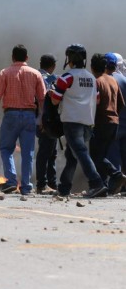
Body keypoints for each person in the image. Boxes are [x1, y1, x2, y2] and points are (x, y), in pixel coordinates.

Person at [50, 44, 106, 198]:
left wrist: (51, 93)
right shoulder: (92, 78)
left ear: (70, 59)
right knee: (71, 156)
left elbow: (55, 101)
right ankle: (64, 188)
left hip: (72, 122)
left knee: (80, 153)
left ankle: (97, 183)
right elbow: (98, 99)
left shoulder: (66, 77)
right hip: (88, 122)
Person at [0, 44, 46, 195]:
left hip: (11, 115)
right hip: (29, 116)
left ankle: (11, 181)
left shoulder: (4, 73)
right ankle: (26, 186)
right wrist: (41, 118)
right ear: (27, 58)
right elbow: (42, 99)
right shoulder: (36, 74)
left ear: (12, 57)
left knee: (6, 149)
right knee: (28, 152)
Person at [89, 53, 126, 194]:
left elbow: (94, 103)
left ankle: (113, 180)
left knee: (99, 155)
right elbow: (121, 104)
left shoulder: (98, 81)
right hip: (116, 122)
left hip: (103, 122)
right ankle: (106, 186)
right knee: (108, 155)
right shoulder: (116, 80)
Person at [35, 54, 59, 194]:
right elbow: (43, 100)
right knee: (46, 152)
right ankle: (43, 184)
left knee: (50, 152)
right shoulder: (45, 78)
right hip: (46, 120)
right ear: (53, 65)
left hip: (40, 119)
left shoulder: (37, 75)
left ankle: (51, 183)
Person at [106, 53, 126, 173]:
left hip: (112, 125)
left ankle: (115, 185)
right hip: (124, 124)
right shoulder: (124, 80)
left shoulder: (106, 80)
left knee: (113, 156)